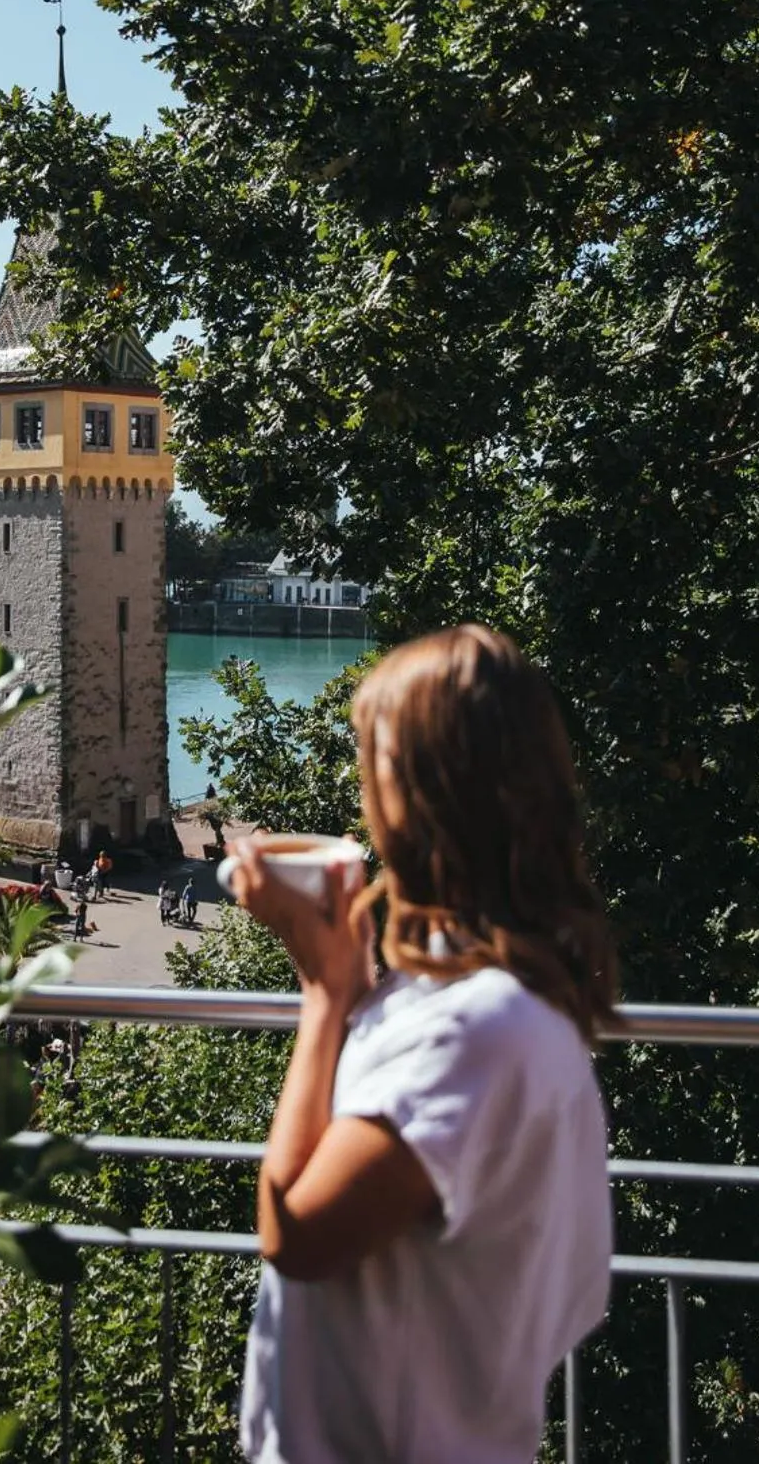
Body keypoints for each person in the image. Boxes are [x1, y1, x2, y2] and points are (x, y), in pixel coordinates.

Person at [235, 625, 616, 1464]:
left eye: (373, 765)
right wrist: (354, 984)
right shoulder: (502, 1003)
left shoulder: (474, 1032)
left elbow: (294, 1232)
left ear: (419, 796)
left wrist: (326, 996)